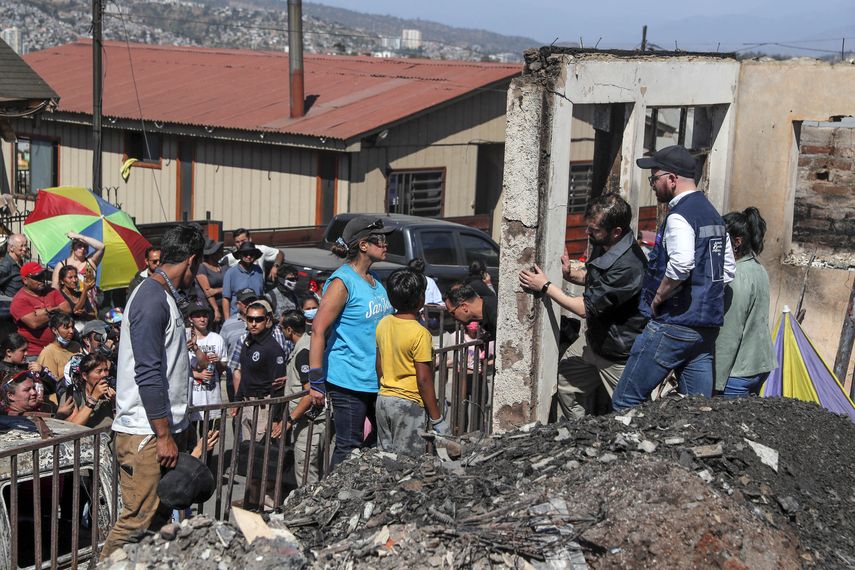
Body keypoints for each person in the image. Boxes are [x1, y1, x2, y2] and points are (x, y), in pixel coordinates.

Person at [101, 224, 205, 559]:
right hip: (145, 433)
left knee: (158, 518)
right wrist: (162, 434)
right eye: (198, 267)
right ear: (191, 261)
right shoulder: (151, 298)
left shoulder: (163, 296)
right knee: (137, 521)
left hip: (158, 431)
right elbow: (147, 372)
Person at [611, 145, 736, 410]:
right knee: (696, 409)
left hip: (673, 324)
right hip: (705, 330)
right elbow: (726, 271)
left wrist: (659, 296)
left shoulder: (680, 216)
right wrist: (702, 296)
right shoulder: (713, 215)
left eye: (654, 178)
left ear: (672, 179)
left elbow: (681, 264)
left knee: (625, 401)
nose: (652, 185)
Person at [519, 193, 648, 418]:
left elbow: (583, 308)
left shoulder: (630, 266)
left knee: (631, 414)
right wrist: (571, 274)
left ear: (616, 231)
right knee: (565, 381)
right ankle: (578, 432)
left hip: (619, 354)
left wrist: (545, 286)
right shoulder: (606, 244)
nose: (588, 232)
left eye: (594, 229)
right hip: (595, 341)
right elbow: (596, 280)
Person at [308, 216, 394, 469]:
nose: (386, 244)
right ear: (363, 245)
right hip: (347, 379)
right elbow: (318, 330)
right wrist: (315, 381)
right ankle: (331, 492)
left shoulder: (373, 278)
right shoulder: (342, 282)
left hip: (374, 376)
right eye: (380, 239)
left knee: (384, 437)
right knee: (348, 446)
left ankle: (360, 484)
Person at [375, 268, 447, 456]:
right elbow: (424, 380)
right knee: (408, 463)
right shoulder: (420, 333)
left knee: (386, 459)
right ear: (420, 299)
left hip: (383, 400)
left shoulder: (383, 324)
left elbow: (379, 366)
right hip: (408, 404)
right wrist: (437, 419)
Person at [714, 207, 777, 396]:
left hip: (738, 371)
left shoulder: (736, 277)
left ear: (737, 242)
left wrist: (716, 382)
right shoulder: (757, 268)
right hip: (759, 363)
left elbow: (729, 332)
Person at [228, 300, 291, 441]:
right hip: (247, 404)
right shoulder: (247, 342)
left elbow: (278, 385)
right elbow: (244, 374)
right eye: (250, 319)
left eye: (258, 319)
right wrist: (237, 400)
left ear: (267, 320)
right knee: (247, 448)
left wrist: (275, 418)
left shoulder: (273, 348)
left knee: (262, 450)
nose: (254, 323)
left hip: (264, 407)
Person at [278, 310, 326, 485]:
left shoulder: (303, 352)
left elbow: (310, 393)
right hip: (311, 422)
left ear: (289, 330)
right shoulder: (308, 343)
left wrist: (290, 420)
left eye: (281, 328)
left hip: (309, 423)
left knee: (306, 476)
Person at [10, 262, 72, 357]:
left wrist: (46, 311)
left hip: (60, 348)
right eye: (37, 277)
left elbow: (67, 309)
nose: (42, 279)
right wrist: (57, 310)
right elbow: (34, 323)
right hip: (35, 353)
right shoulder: (19, 300)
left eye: (43, 275)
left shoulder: (52, 291)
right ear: (25, 280)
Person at [185, 301, 227, 433]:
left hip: (212, 398)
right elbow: (178, 369)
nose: (202, 319)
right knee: (191, 440)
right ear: (190, 319)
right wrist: (198, 374)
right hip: (191, 399)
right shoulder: (184, 339)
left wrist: (218, 362)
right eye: (198, 316)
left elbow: (223, 369)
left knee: (210, 437)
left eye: (205, 315)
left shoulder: (217, 338)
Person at [60, 352, 116, 429]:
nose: (104, 374)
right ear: (85, 376)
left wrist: (115, 403)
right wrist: (93, 399)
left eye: (106, 370)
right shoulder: (73, 397)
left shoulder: (113, 392)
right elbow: (71, 429)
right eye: (99, 371)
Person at [222, 242, 264, 317]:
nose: (248, 256)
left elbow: (261, 295)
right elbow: (225, 298)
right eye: (245, 254)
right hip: (237, 316)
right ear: (240, 255)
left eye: (251, 254)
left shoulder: (259, 271)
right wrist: (227, 320)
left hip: (256, 315)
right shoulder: (231, 273)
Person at [36, 312, 80, 380]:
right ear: (55, 330)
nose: (71, 331)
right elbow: (52, 381)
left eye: (72, 327)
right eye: (66, 328)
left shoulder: (76, 346)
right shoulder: (48, 352)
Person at [195, 239, 226, 327]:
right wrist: (216, 309)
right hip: (208, 308)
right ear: (212, 254)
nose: (221, 252)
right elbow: (208, 292)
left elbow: (231, 286)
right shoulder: (201, 267)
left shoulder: (222, 267)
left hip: (223, 305)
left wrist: (217, 290)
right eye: (218, 251)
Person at [0, 233, 29, 300]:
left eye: (25, 245)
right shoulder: (5, 265)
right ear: (11, 248)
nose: (24, 249)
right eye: (21, 246)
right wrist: (6, 299)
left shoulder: (20, 261)